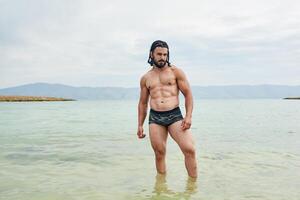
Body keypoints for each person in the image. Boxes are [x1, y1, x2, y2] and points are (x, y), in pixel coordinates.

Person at [137, 40, 197, 178]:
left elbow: (188, 95)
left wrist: (188, 116)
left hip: (174, 115)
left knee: (189, 149)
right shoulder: (146, 78)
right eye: (159, 54)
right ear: (151, 54)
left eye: (165, 54)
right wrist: (140, 124)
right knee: (159, 152)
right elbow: (142, 103)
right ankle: (161, 188)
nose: (162, 57)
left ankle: (192, 186)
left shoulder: (176, 72)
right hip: (155, 118)